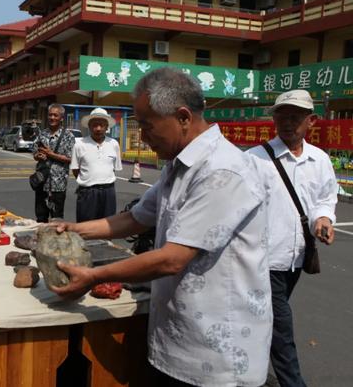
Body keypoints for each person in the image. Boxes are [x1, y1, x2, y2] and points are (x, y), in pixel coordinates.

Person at [52, 68, 272, 386]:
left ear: (183, 117)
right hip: (177, 344)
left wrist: (94, 277)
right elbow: (135, 218)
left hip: (216, 357)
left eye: (147, 125)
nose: (142, 136)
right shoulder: (178, 165)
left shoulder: (221, 171)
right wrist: (74, 229)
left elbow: (172, 258)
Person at [248, 89, 337, 387]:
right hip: (263, 260)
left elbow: (324, 199)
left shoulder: (320, 160)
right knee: (281, 328)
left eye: (295, 116)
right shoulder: (254, 159)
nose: (287, 122)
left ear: (310, 121)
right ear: (273, 119)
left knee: (265, 322)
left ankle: (248, 371)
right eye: (281, 115)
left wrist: (323, 219)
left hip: (295, 259)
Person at [70, 107, 122, 222]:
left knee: (108, 226)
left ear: (107, 127)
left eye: (101, 125)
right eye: (94, 125)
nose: (98, 129)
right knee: (85, 227)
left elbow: (113, 169)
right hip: (87, 193)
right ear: (89, 126)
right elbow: (75, 170)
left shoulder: (113, 144)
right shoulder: (79, 144)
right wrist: (88, 181)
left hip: (108, 193)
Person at [32, 104, 75, 222]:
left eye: (55, 115)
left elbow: (71, 158)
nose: (52, 117)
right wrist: (38, 156)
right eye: (50, 115)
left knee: (57, 220)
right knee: (40, 218)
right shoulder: (42, 134)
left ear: (61, 118)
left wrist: (51, 154)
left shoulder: (68, 136)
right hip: (41, 182)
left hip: (58, 185)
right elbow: (35, 153)